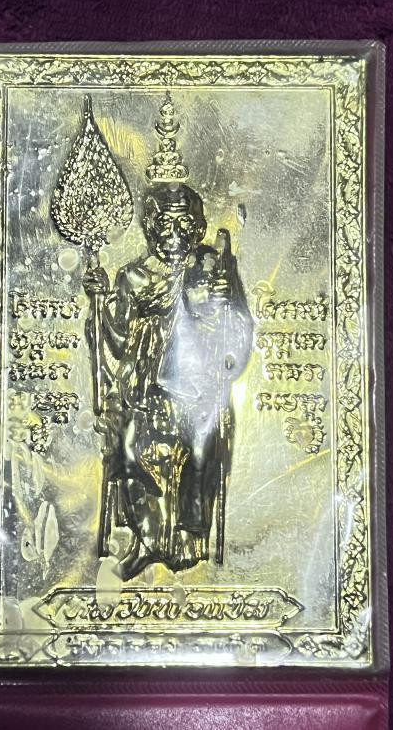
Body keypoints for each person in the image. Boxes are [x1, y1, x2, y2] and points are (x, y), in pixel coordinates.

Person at [83, 182, 252, 580]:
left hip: (197, 389)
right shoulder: (134, 277)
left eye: (184, 224)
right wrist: (99, 304)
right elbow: (115, 340)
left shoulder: (212, 270)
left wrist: (222, 307)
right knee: (131, 454)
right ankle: (147, 542)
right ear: (150, 228)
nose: (175, 234)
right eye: (165, 224)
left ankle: (188, 542)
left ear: (198, 228)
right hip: (144, 389)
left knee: (197, 454)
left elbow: (239, 330)